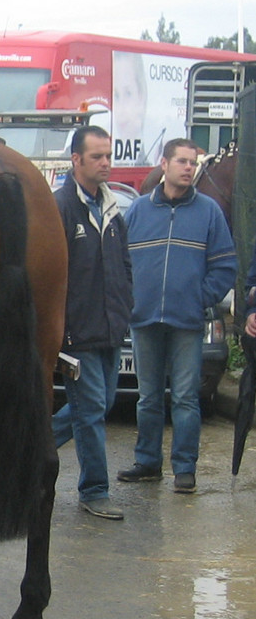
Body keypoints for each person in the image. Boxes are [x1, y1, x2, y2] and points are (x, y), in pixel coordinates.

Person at [119, 138, 236, 494]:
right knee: (149, 397)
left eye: (193, 163)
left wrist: (198, 299)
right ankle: (148, 462)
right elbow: (120, 264)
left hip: (187, 323)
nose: (189, 168)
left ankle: (185, 469)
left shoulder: (209, 213)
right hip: (144, 320)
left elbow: (224, 266)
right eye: (182, 161)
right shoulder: (137, 212)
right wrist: (132, 300)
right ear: (164, 164)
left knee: (186, 397)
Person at [51, 125, 133, 519]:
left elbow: (124, 264)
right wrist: (61, 331)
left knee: (98, 405)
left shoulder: (113, 207)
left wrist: (125, 308)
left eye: (108, 155)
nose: (106, 163)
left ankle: (28, 447)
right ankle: (94, 490)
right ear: (76, 160)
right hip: (78, 333)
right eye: (97, 156)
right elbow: (50, 275)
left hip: (111, 329)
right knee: (91, 410)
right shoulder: (61, 208)